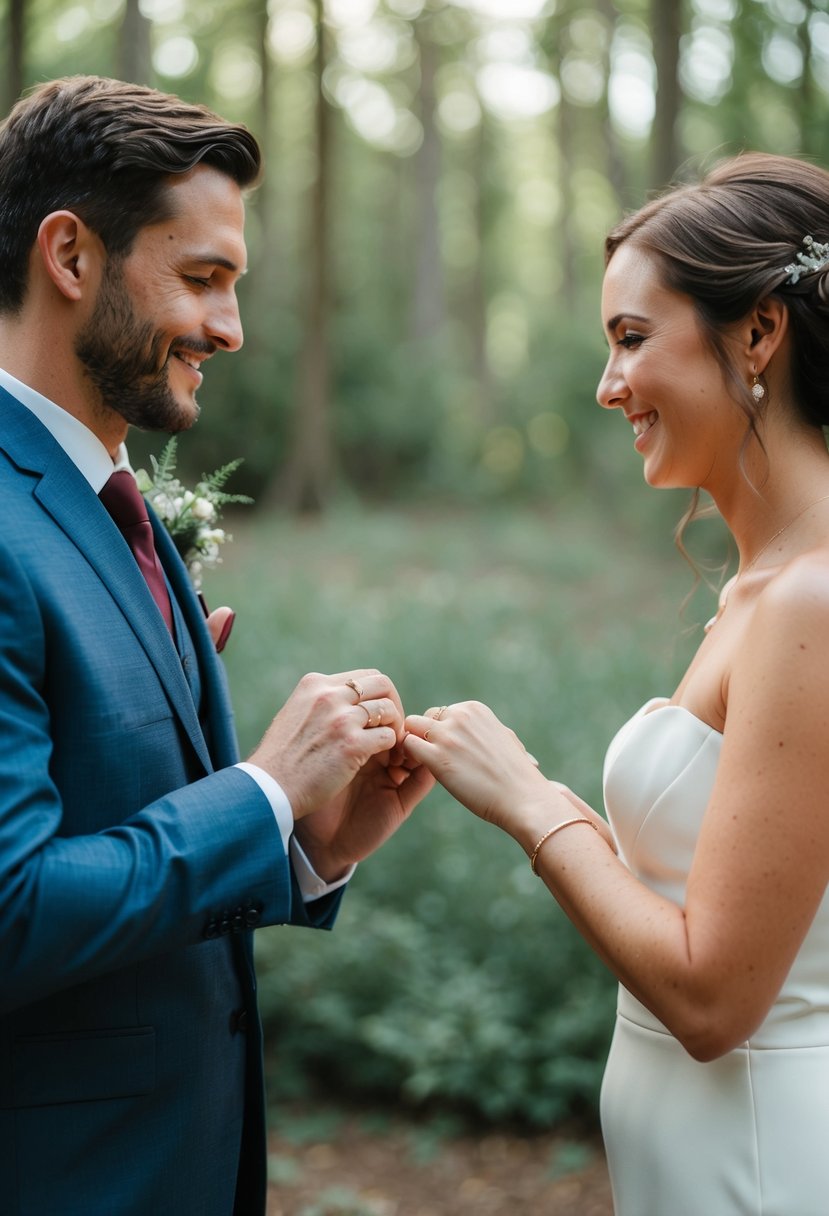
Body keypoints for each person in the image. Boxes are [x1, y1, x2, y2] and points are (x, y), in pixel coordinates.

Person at [0, 76, 431, 1216]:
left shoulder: (115, 504)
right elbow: (11, 908)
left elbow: (117, 819)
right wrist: (259, 794)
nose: (231, 328)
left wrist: (302, 841)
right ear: (70, 255)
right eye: (202, 279)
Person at [404, 152, 829, 1216]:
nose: (606, 387)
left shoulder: (807, 605)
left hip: (762, 1160)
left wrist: (531, 800)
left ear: (758, 332)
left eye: (631, 339)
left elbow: (713, 994)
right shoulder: (762, 590)